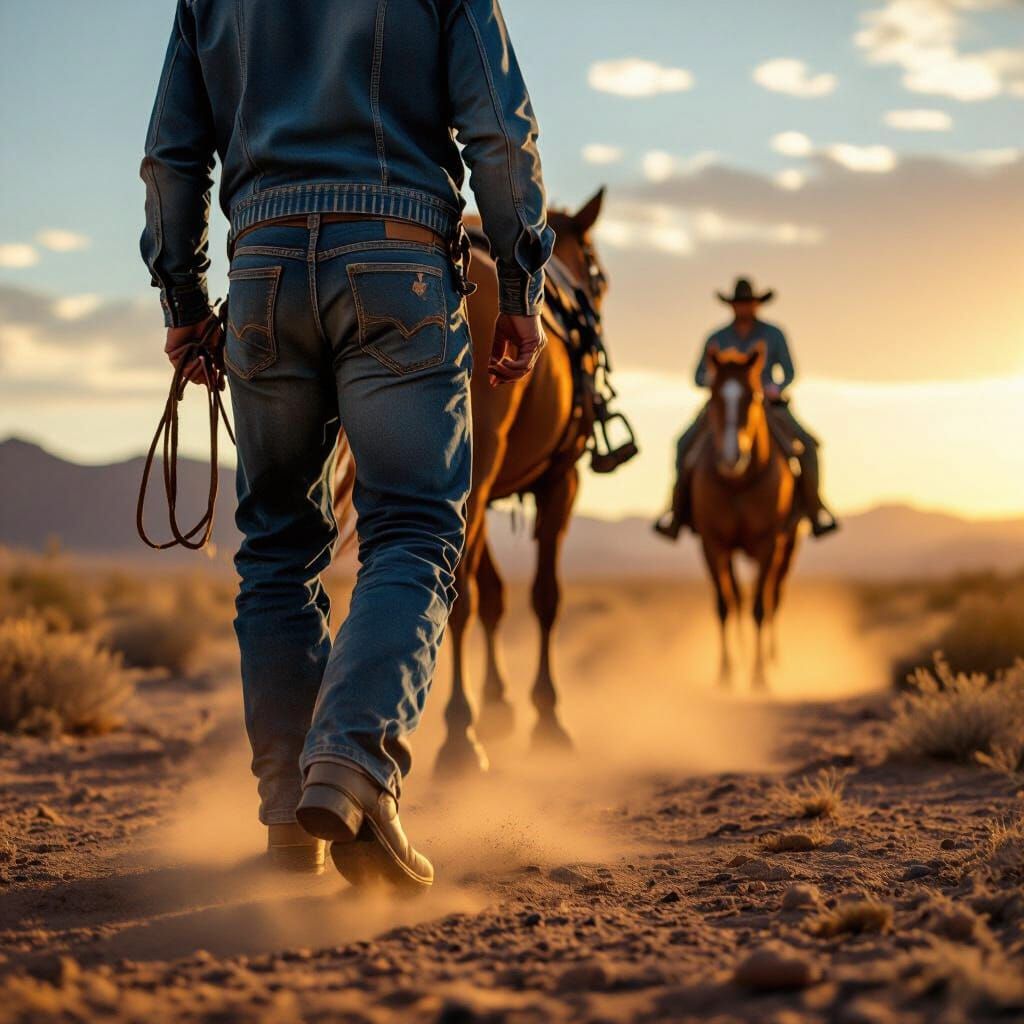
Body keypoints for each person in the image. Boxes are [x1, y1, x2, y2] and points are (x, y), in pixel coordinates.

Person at [141, 0, 553, 889]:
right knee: (412, 531)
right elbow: (500, 132)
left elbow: (174, 154)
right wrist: (517, 282)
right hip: (397, 263)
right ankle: (355, 768)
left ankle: (291, 819)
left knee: (279, 549)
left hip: (261, 275)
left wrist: (182, 299)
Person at [655, 278, 838, 540]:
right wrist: (716, 383)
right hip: (722, 406)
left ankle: (815, 508)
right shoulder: (716, 338)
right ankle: (676, 511)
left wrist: (774, 386)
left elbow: (789, 372)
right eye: (739, 304)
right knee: (683, 444)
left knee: (808, 446)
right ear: (732, 306)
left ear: (756, 305)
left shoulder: (774, 334)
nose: (744, 309)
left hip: (767, 405)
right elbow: (698, 376)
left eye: (748, 304)